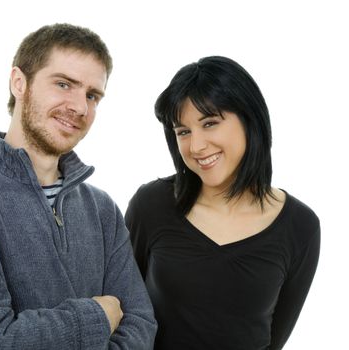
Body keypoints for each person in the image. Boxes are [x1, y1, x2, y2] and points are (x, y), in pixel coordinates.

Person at [0, 23, 156, 349]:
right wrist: (97, 316)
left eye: (92, 95)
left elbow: (140, 324)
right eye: (63, 84)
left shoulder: (101, 210)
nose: (80, 107)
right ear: (19, 83)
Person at [125, 56, 320, 349]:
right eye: (183, 132)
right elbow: (124, 311)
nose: (196, 146)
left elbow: (273, 340)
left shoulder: (300, 226)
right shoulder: (151, 205)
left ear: (249, 119)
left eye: (210, 123)